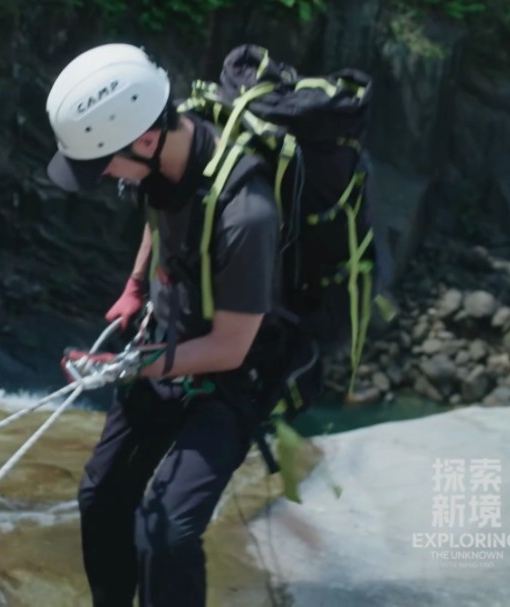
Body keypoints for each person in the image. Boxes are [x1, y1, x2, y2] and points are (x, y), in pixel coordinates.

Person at [45, 43, 317, 607]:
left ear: (144, 139)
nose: (106, 178)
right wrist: (136, 286)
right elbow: (157, 207)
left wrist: (129, 365)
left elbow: (230, 348)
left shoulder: (248, 215)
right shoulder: (163, 156)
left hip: (235, 374)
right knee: (103, 494)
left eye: (104, 165)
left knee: (165, 531)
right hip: (168, 336)